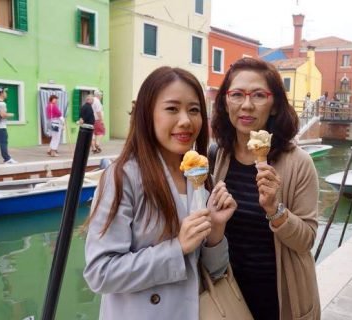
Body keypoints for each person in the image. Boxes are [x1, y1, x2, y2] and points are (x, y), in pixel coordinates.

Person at [83, 66, 237, 320]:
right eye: (172, 108)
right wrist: (177, 248)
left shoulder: (200, 177)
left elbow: (214, 271)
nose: (186, 120)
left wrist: (216, 234)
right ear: (148, 114)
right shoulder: (123, 177)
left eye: (194, 110)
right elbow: (100, 273)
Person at [210, 57, 320, 320]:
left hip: (280, 297)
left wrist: (275, 209)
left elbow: (306, 240)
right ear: (226, 102)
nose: (246, 105)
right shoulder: (217, 156)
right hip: (229, 295)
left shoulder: (298, 163)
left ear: (273, 106)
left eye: (259, 95)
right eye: (237, 94)